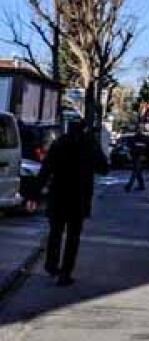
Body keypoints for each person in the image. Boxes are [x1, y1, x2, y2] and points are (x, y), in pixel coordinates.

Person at [23, 119, 108, 286]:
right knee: (73, 237)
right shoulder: (89, 145)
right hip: (79, 197)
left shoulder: (59, 144)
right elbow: (104, 168)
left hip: (58, 196)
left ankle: (51, 265)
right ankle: (65, 272)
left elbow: (45, 170)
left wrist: (33, 195)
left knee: (55, 233)